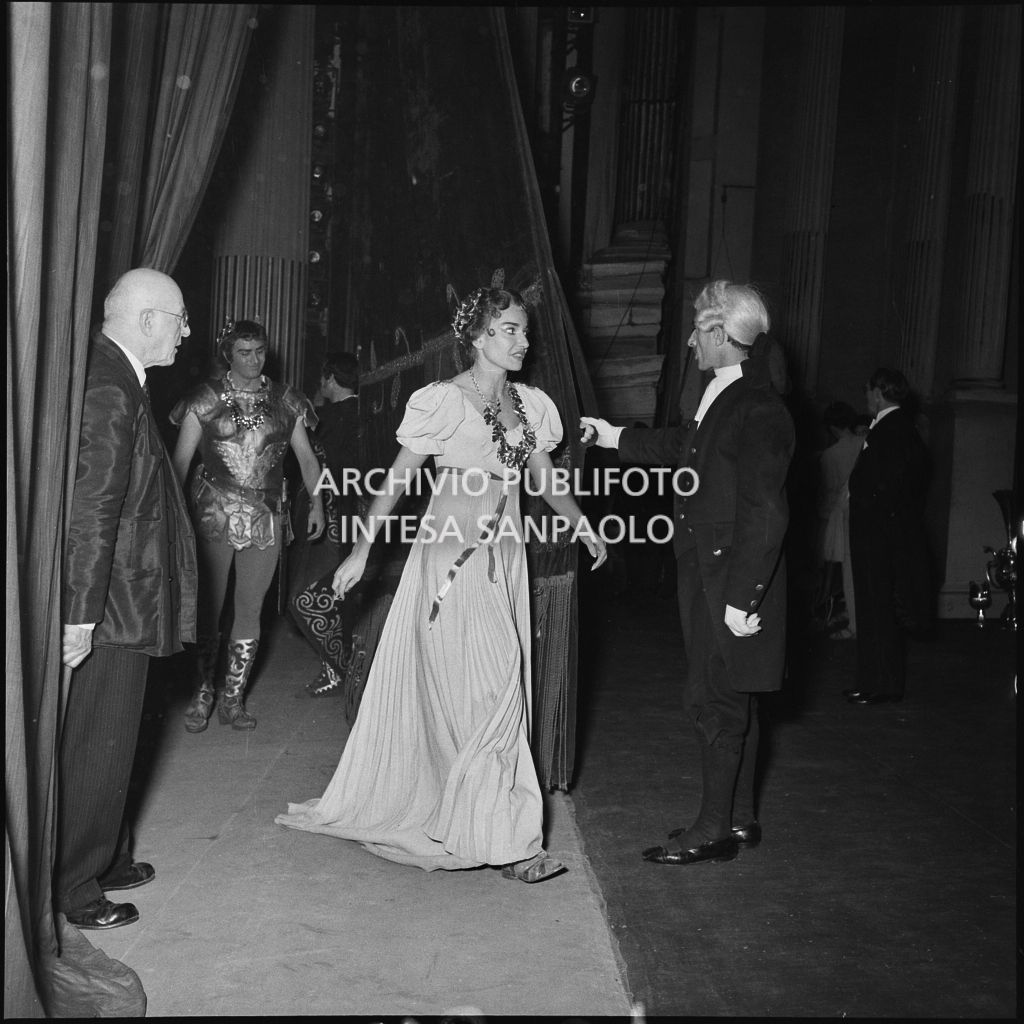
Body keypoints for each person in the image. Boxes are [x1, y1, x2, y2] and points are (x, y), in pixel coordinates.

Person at [276, 286, 607, 882]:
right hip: (450, 559)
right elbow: (398, 482)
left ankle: (496, 831)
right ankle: (511, 844)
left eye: (524, 331)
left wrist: (583, 525)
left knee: (504, 686)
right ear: (478, 336)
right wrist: (361, 549)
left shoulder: (531, 404)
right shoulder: (443, 401)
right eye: (510, 329)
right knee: (485, 690)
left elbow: (544, 477)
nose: (523, 341)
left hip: (505, 555)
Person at [581, 279, 794, 866]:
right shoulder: (725, 393)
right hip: (712, 574)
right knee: (737, 695)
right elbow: (685, 446)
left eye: (698, 329)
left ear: (721, 334)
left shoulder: (759, 406)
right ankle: (739, 817)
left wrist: (743, 598)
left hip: (731, 583)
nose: (690, 343)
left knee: (715, 699)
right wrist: (612, 435)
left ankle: (710, 830)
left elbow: (767, 512)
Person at [58, 268, 198, 930]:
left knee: (117, 740)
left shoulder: (117, 375)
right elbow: (93, 508)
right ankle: (76, 889)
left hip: (126, 597)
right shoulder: (108, 386)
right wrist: (81, 613)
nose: (187, 331)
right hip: (113, 606)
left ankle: (107, 857)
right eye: (179, 319)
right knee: (98, 745)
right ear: (147, 320)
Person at [170, 318, 325, 732]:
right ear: (228, 355)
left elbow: (308, 460)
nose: (254, 360)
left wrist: (317, 504)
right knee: (208, 609)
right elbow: (180, 464)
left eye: (259, 352)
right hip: (211, 516)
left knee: (250, 608)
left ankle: (232, 699)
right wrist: (174, 517)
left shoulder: (288, 400)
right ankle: (202, 693)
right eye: (244, 353)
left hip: (266, 518)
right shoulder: (203, 399)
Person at [844, 368, 930, 705]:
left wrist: (867, 507)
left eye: (868, 391)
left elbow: (890, 486)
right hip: (878, 535)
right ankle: (871, 681)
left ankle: (882, 684)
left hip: (878, 537)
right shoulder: (893, 428)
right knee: (872, 607)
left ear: (879, 392)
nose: (865, 398)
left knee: (877, 608)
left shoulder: (892, 429)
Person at [288, 351, 363, 697]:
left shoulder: (330, 417)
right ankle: (337, 666)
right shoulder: (364, 413)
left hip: (333, 517)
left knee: (311, 593)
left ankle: (339, 667)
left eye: (324, 379)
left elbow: (324, 468)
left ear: (331, 378)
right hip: (349, 515)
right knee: (328, 591)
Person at [817, 401, 864, 638]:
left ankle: (846, 617)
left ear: (832, 428)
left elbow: (828, 491)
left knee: (839, 568)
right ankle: (849, 611)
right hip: (863, 512)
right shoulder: (862, 443)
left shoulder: (830, 455)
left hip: (840, 513)